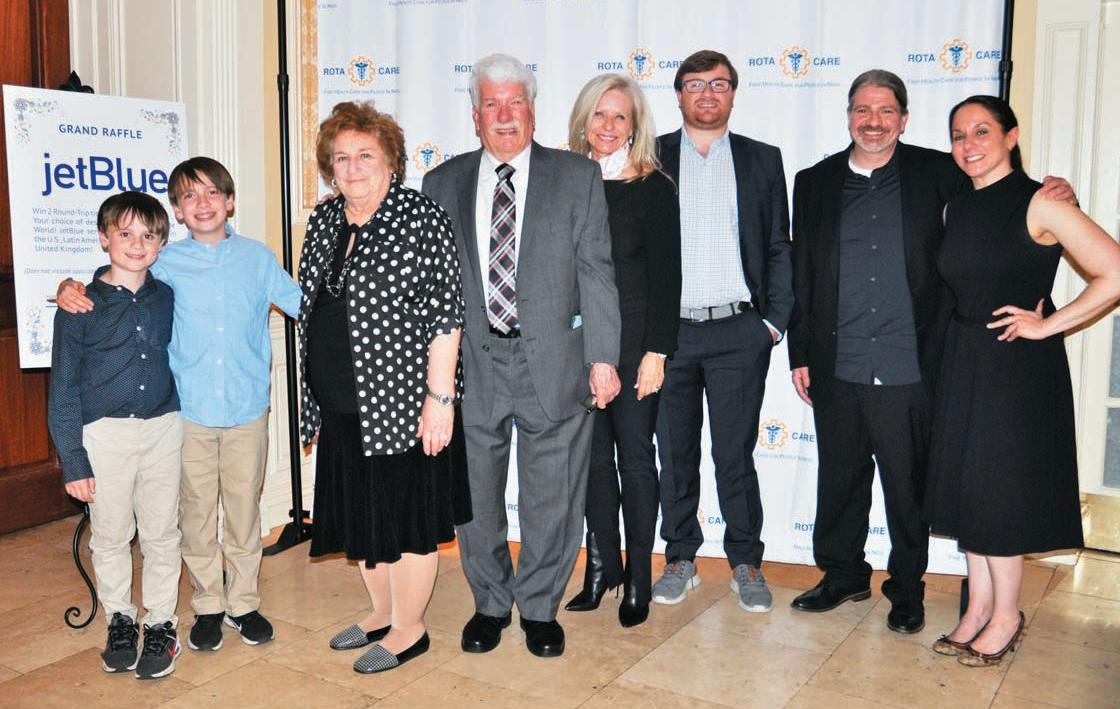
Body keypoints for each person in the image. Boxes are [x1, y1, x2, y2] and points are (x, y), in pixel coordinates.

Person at [787, 71, 1075, 634]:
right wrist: (800, 351)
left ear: (904, 119)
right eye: (862, 110)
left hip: (914, 360)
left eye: (885, 111)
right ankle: (842, 574)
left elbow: (1006, 206)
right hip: (837, 361)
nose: (873, 121)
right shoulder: (813, 182)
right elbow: (803, 274)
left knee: (908, 486)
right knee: (839, 478)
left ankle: (907, 589)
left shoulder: (943, 172)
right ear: (848, 116)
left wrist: (1061, 194)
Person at [56, 157, 303, 652]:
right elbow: (117, 280)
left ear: (230, 202)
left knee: (243, 513)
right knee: (193, 516)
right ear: (178, 211)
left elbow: (304, 304)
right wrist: (68, 288)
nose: (203, 203)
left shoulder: (257, 258)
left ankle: (243, 603)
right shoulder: (164, 262)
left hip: (247, 408)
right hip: (187, 414)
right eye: (190, 196)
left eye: (212, 193)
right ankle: (208, 604)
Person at [421, 53, 621, 658]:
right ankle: (489, 603)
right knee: (476, 497)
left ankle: (538, 608)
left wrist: (603, 357)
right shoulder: (442, 182)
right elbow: (433, 286)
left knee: (552, 496)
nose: (504, 115)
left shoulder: (577, 177)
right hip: (473, 365)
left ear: (533, 110)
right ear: (475, 115)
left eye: (515, 102)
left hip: (555, 363)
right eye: (492, 104)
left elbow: (596, 271)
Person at [926, 95, 1120, 666]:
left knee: (998, 493)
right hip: (965, 359)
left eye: (982, 131)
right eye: (958, 135)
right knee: (970, 490)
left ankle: (1008, 616)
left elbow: (1113, 272)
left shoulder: (1042, 202)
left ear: (1011, 137)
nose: (969, 144)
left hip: (1014, 368)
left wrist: (1048, 325)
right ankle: (979, 608)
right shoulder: (956, 206)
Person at [297, 101, 469, 674]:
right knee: (363, 514)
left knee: (406, 519)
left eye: (365, 155)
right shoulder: (325, 220)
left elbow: (446, 315)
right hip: (342, 402)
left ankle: (410, 628)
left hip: (402, 402)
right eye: (341, 157)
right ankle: (382, 612)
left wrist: (439, 400)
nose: (352, 167)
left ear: (391, 160)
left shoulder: (420, 216)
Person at [651, 50, 792, 614]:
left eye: (718, 84)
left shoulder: (762, 159)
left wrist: (772, 324)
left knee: (734, 454)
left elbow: (778, 244)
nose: (706, 94)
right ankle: (680, 557)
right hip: (670, 336)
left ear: (733, 93)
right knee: (675, 453)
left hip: (739, 331)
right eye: (694, 84)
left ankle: (746, 563)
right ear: (678, 94)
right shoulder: (651, 155)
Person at [561, 74, 680, 628]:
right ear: (583, 120)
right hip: (577, 347)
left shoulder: (653, 187)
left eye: (620, 117)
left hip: (634, 349)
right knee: (590, 465)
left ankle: (638, 579)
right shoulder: (563, 182)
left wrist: (658, 352)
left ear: (635, 127)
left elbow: (667, 277)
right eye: (599, 114)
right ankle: (600, 568)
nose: (608, 126)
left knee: (634, 461)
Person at [48, 191, 183, 680]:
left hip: (164, 427)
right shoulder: (79, 305)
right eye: (125, 234)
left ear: (161, 242)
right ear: (104, 238)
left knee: (162, 532)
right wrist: (73, 459)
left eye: (148, 235)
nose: (137, 244)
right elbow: (63, 388)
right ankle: (120, 620)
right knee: (110, 534)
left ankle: (162, 624)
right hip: (103, 436)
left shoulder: (167, 297)